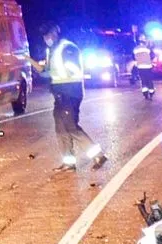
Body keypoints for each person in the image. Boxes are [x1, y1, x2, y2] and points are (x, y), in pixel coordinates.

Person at [31, 23, 106, 172]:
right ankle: (69, 162)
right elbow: (45, 70)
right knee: (61, 129)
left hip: (70, 93)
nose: (47, 38)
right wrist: (29, 60)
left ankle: (98, 155)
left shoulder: (67, 48)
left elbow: (74, 70)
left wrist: (52, 73)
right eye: (45, 36)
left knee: (70, 126)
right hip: (59, 94)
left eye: (49, 35)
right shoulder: (52, 50)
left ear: (55, 33)